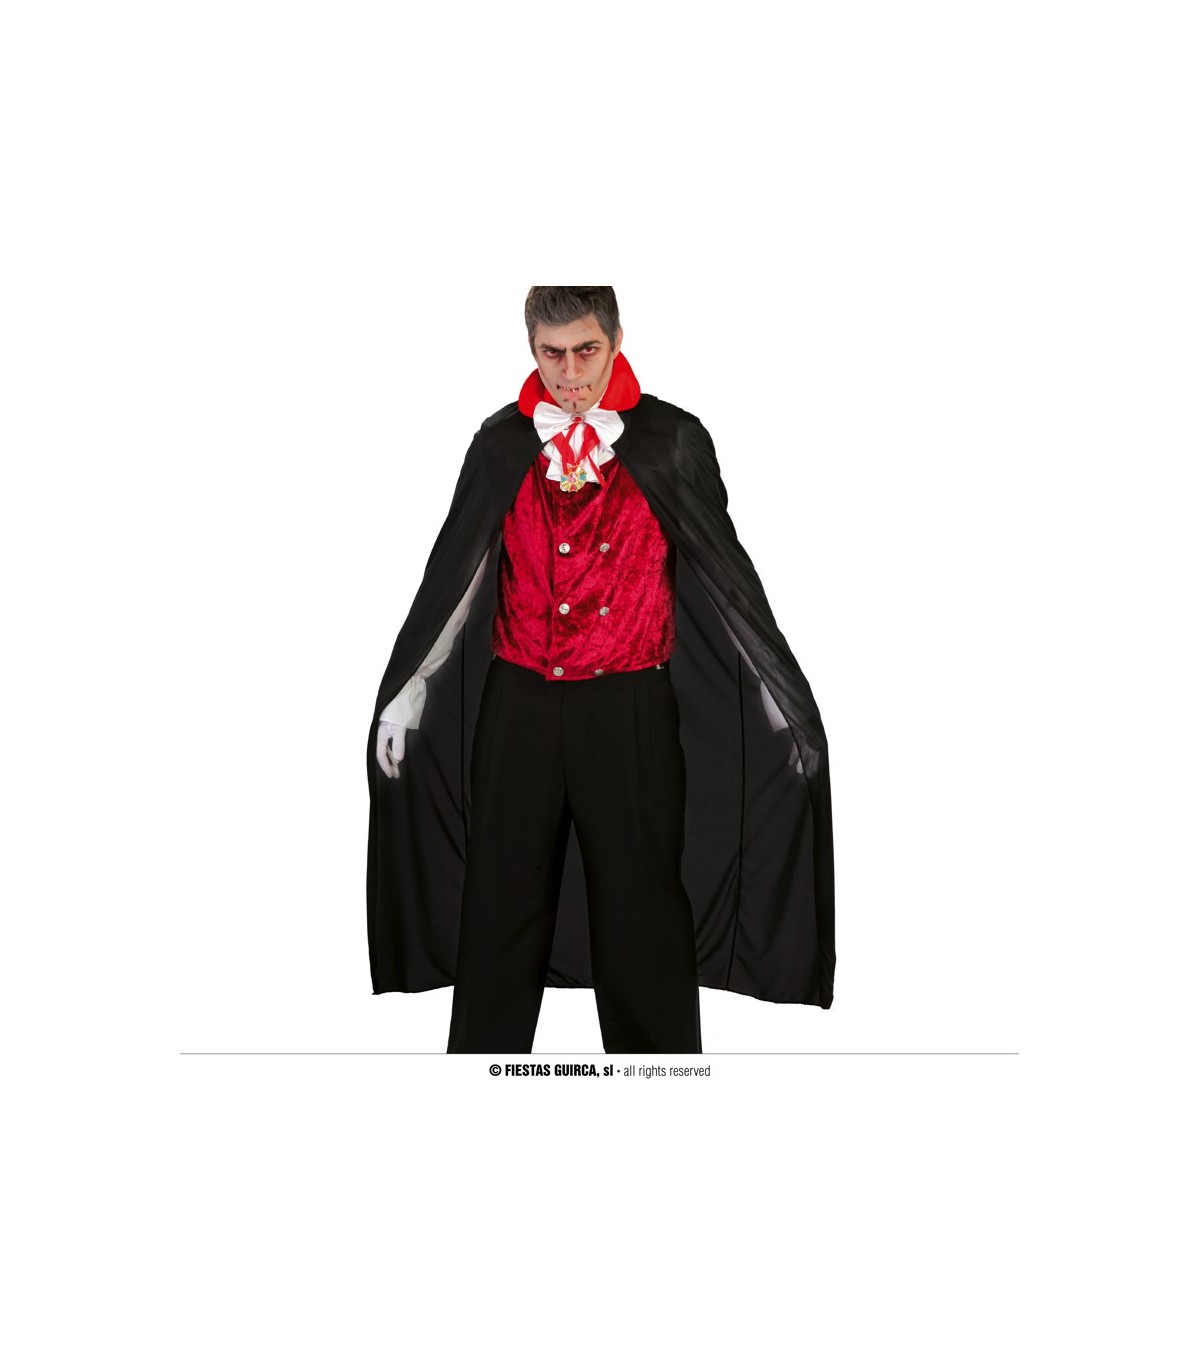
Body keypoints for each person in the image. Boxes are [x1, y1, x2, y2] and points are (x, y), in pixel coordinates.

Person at [367, 287, 834, 1054]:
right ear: (531, 350)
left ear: (616, 340)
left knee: (641, 908)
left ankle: (659, 1080)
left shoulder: (673, 441)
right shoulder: (500, 443)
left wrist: (778, 698)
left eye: (586, 350)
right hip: (517, 705)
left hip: (631, 709)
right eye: (552, 354)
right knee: (499, 903)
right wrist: (410, 690)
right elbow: (460, 574)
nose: (570, 373)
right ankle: (480, 1079)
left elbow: (726, 579)